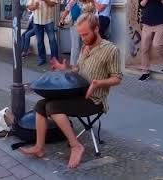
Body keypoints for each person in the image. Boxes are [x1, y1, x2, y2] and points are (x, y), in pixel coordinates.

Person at [20, 13, 122, 169]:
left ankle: (76, 146)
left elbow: (117, 78)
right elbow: (78, 71)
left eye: (86, 34)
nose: (83, 38)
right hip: (78, 94)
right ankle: (39, 147)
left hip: (94, 101)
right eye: (80, 35)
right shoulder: (85, 47)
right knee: (41, 105)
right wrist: (65, 68)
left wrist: (98, 83)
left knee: (53, 107)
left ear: (96, 29)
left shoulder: (111, 50)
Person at [138, 0, 163, 81]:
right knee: (144, 48)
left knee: (157, 44)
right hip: (146, 23)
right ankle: (145, 72)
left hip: (160, 22)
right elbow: (141, 4)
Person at [60, 0, 95, 67]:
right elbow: (67, 10)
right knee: (75, 46)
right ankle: (74, 66)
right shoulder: (73, 1)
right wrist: (62, 19)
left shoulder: (90, 2)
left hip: (87, 26)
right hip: (75, 26)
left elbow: (94, 12)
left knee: (86, 45)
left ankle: (85, 65)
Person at [27, 0, 59, 66]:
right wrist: (34, 7)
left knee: (52, 40)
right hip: (37, 21)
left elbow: (54, 3)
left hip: (48, 20)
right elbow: (29, 7)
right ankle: (42, 59)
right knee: (39, 41)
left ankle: (54, 59)